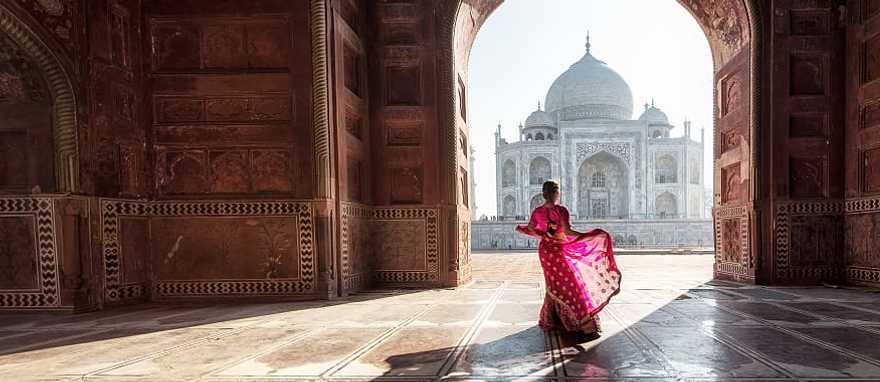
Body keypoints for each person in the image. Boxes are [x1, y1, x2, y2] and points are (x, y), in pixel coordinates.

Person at [515, 180, 621, 336]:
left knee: (554, 284)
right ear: (556, 193)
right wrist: (587, 236)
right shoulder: (560, 211)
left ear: (544, 194)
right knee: (570, 282)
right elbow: (568, 232)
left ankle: (554, 319)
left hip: (545, 251)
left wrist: (543, 235)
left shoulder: (537, 212)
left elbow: (531, 230)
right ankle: (578, 319)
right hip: (557, 250)